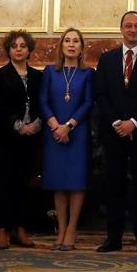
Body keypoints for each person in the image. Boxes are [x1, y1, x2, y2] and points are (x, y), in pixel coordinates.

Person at [94, 10, 137, 254]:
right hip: (113, 133)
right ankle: (113, 238)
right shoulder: (107, 59)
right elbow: (100, 94)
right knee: (114, 185)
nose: (132, 30)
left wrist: (133, 122)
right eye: (128, 25)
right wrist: (117, 122)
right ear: (121, 29)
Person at [40, 28, 94, 251]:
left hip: (77, 132)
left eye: (76, 41)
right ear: (61, 46)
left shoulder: (88, 73)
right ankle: (60, 228)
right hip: (53, 133)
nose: (71, 45)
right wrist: (55, 125)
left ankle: (72, 228)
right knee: (59, 182)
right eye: (67, 41)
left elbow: (88, 102)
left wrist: (69, 126)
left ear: (82, 47)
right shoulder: (50, 71)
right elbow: (43, 100)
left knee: (76, 181)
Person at [0, 30, 42, 250]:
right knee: (4, 184)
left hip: (31, 139)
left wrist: (36, 124)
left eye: (23, 45)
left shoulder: (39, 76)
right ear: (9, 50)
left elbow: (43, 103)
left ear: (29, 49)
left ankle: (20, 229)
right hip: (7, 138)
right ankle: (1, 229)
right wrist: (19, 126)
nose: (19, 49)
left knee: (23, 184)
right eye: (14, 46)